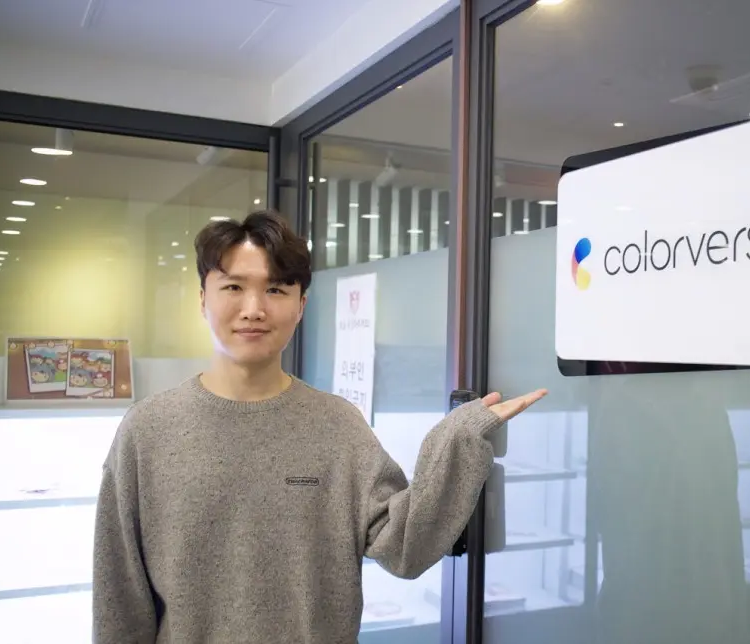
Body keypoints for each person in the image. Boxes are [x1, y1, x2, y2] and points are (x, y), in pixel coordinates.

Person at [92, 210, 546, 643]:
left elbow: (405, 547)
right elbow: (119, 596)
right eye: (233, 287)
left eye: (275, 289)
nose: (253, 309)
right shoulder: (148, 430)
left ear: (300, 306)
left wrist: (457, 438)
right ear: (202, 299)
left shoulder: (337, 425)